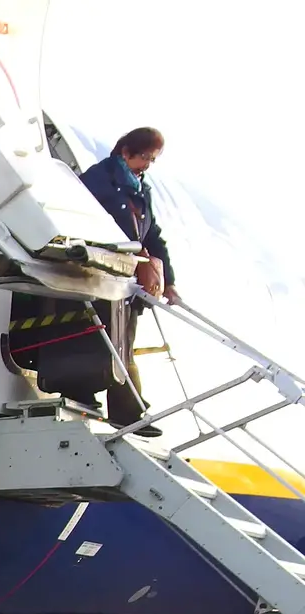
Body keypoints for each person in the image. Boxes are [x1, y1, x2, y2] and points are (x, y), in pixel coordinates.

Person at [81, 127, 181, 435]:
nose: (148, 166)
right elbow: (87, 217)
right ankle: (127, 413)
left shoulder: (140, 190)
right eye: (145, 158)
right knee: (111, 345)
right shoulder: (100, 179)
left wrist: (170, 281)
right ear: (126, 152)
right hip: (102, 275)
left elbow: (152, 236)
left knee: (123, 345)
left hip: (127, 284)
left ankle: (128, 410)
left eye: (152, 160)